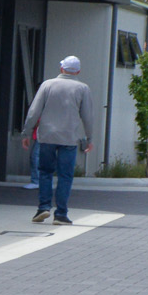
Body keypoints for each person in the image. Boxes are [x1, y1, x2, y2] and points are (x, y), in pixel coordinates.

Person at [22, 56, 94, 226]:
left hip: (46, 136)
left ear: (62, 69)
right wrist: (89, 138)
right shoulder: (83, 88)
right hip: (69, 138)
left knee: (45, 172)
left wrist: (27, 132)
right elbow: (88, 117)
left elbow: (34, 111)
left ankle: (43, 208)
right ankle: (61, 214)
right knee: (65, 176)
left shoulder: (47, 85)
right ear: (77, 71)